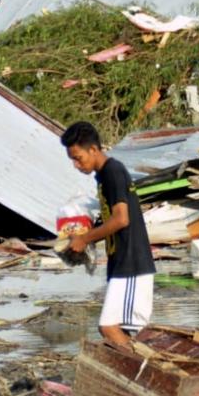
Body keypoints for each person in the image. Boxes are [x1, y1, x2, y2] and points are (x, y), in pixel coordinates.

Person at [62, 122, 156, 348]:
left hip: (132, 263)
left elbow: (121, 219)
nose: (76, 165)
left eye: (78, 158)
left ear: (93, 149)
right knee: (117, 330)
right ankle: (138, 374)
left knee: (109, 327)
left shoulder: (113, 171)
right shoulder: (103, 176)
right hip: (121, 263)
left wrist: (84, 239)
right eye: (72, 160)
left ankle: (139, 376)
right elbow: (111, 220)